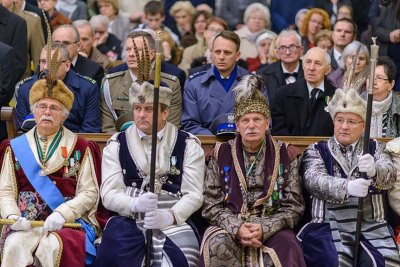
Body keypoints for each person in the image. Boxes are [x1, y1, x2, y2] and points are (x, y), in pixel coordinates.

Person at [94, 70, 204, 267]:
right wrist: (134, 204)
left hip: (173, 218)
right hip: (128, 217)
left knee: (182, 259)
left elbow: (194, 195)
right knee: (114, 257)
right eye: (137, 108)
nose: (141, 114)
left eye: (149, 109)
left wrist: (169, 216)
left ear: (165, 112)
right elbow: (109, 194)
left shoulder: (188, 144)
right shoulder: (117, 144)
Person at [0, 57, 103, 266]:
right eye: (42, 106)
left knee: (53, 248)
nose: (47, 112)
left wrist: (62, 213)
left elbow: (89, 192)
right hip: (24, 222)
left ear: (64, 115)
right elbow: (6, 190)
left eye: (54, 108)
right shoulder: (14, 147)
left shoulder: (82, 147)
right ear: (33, 110)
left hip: (66, 223)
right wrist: (12, 216)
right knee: (14, 246)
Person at [200, 74, 306, 267]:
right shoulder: (219, 153)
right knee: (215, 243)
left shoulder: (287, 153)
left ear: (267, 124)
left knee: (288, 249)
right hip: (229, 225)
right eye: (245, 120)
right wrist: (237, 227)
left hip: (273, 225)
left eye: (257, 119)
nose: (251, 125)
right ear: (238, 126)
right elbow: (210, 204)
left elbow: (294, 207)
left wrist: (264, 228)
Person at [298, 77, 400, 266]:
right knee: (333, 260)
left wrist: (375, 170)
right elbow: (313, 180)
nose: (344, 126)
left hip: (370, 224)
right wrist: (348, 187)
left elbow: (390, 176)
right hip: (327, 224)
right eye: (340, 120)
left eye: (352, 121)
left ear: (363, 126)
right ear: (333, 122)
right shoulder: (316, 149)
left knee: (383, 262)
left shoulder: (376, 148)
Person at [100, 30, 182, 132]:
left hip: (158, 145)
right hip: (122, 144)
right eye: (128, 49)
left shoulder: (170, 85)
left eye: (137, 50)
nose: (131, 54)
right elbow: (108, 129)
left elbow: (172, 128)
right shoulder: (110, 84)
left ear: (151, 54)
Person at [16, 43, 101, 133]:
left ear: (67, 65)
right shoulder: (25, 88)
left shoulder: (87, 88)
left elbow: (90, 130)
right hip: (35, 143)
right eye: (43, 62)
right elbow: (22, 127)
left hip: (73, 143)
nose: (45, 68)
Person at [181, 30, 250, 135]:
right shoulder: (194, 84)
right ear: (211, 53)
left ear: (237, 55)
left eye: (227, 53)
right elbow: (189, 124)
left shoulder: (252, 83)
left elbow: (263, 123)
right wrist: (214, 141)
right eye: (217, 52)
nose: (221, 57)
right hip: (207, 147)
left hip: (243, 146)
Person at [272, 47, 336, 136]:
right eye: (308, 62)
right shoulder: (283, 94)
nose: (311, 68)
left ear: (328, 70)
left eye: (317, 63)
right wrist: (289, 146)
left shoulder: (337, 97)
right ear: (303, 66)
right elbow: (278, 129)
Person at [257, 30, 304, 109]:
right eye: (283, 48)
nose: (288, 52)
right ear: (277, 52)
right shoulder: (263, 74)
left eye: (292, 47)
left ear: (301, 50)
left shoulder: (311, 71)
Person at [365, 56, 400, 138]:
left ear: (391, 85)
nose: (373, 82)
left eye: (379, 78)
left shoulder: (398, 107)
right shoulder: (355, 105)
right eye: (370, 77)